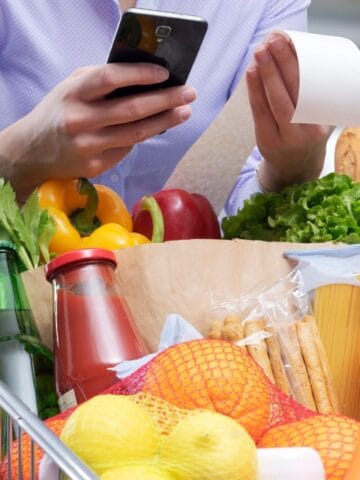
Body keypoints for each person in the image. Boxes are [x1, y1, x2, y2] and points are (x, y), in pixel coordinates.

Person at [0, 0, 332, 213]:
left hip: (180, 298)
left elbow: (240, 194)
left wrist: (289, 170)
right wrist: (18, 159)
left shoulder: (261, 6)